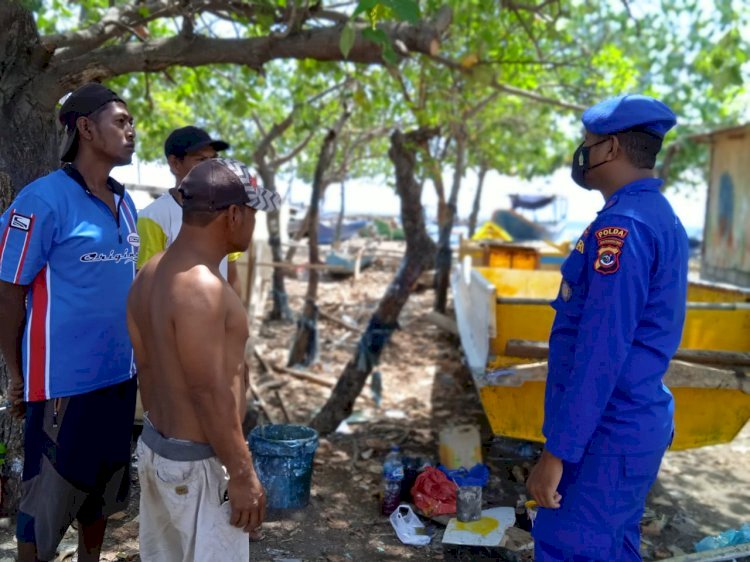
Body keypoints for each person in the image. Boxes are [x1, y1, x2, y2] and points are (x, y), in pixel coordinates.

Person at [526, 94, 689, 561]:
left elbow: (600, 354)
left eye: (589, 144)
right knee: (614, 547)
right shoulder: (659, 216)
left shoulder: (623, 227)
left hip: (604, 436)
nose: (582, 154)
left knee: (569, 548)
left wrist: (556, 454)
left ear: (611, 148)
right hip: (629, 427)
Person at [0, 83, 138, 562]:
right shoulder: (41, 200)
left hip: (119, 380)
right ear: (84, 127)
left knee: (99, 500)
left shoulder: (125, 202)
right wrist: (17, 375)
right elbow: (9, 290)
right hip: (61, 386)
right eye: (120, 121)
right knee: (43, 511)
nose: (131, 130)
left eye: (131, 121)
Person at [127, 158, 281, 561]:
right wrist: (243, 474)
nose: (253, 223)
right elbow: (210, 392)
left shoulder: (150, 273)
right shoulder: (201, 287)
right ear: (233, 214)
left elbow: (146, 366)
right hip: (197, 467)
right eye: (252, 213)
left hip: (158, 448)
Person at [136, 125, 244, 295]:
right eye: (201, 160)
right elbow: (144, 287)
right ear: (175, 164)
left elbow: (232, 277)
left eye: (214, 159)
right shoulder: (153, 217)